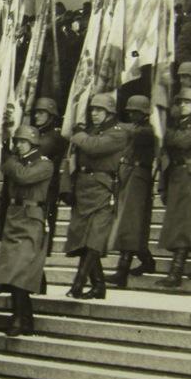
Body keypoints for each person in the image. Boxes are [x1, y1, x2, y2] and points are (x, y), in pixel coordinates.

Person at [64, 94, 129, 299]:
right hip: (83, 188)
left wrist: (79, 134)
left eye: (99, 110)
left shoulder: (118, 133)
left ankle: (79, 281)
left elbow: (94, 147)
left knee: (94, 238)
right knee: (83, 239)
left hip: (103, 188)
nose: (94, 114)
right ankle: (98, 285)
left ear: (110, 113)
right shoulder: (91, 132)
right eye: (92, 110)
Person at [0, 125, 53, 335]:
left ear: (33, 143)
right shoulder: (15, 162)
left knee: (20, 270)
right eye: (16, 141)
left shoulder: (45, 164)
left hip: (31, 218)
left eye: (23, 142)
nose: (18, 145)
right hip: (14, 217)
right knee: (13, 272)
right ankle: (25, 318)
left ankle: (18, 318)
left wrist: (7, 158)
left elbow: (23, 176)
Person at [155, 89, 191, 287]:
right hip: (178, 176)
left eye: (187, 103)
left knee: (186, 224)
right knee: (184, 223)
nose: (182, 106)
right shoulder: (177, 126)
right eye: (180, 103)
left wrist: (167, 131)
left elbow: (181, 141)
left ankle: (176, 272)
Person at [106, 95, 157, 287]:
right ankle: (147, 260)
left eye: (135, 112)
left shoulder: (148, 131)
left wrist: (113, 123)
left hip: (138, 176)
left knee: (129, 222)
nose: (132, 115)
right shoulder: (135, 128)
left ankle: (122, 271)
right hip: (128, 173)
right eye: (130, 112)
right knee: (130, 222)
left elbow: (132, 133)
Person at [31, 97, 69, 255]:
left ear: (51, 116)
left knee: (39, 237)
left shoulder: (53, 138)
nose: (36, 116)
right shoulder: (39, 136)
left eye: (41, 113)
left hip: (46, 190)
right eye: (36, 113)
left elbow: (36, 154)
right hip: (36, 188)